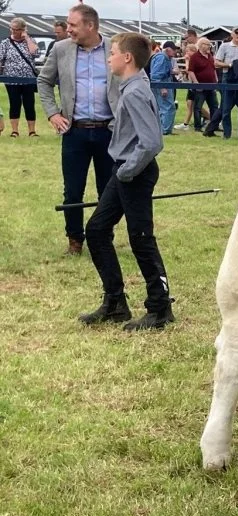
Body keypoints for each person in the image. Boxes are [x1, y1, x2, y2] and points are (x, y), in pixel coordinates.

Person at [78, 32, 173, 331]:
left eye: (113, 52)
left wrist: (127, 170)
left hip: (134, 171)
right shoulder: (133, 85)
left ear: (127, 58)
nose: (108, 57)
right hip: (126, 169)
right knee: (96, 230)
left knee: (141, 239)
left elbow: (152, 142)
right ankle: (115, 303)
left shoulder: (133, 92)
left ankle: (159, 309)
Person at [37, 4, 121, 256]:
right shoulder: (61, 49)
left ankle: (103, 236)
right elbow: (44, 80)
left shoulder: (115, 48)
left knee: (108, 189)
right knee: (73, 190)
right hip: (75, 132)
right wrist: (52, 112)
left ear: (90, 26)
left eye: (73, 25)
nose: (68, 29)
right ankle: (75, 239)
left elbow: (133, 80)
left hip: (109, 131)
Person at [205, 27, 238, 139]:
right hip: (228, 77)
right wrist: (230, 65)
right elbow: (216, 62)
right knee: (225, 108)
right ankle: (227, 134)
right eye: (236, 32)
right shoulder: (224, 46)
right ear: (232, 34)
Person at [0, 17, 40, 138]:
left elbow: (35, 53)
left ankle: (32, 131)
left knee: (29, 104)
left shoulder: (30, 41)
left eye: (17, 29)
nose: (13, 31)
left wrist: (26, 38)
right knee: (14, 103)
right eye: (12, 29)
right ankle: (15, 130)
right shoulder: (5, 43)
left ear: (23, 29)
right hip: (11, 79)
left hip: (28, 79)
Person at [186, 38, 218, 130]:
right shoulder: (195, 57)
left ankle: (214, 125)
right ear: (201, 45)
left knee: (214, 106)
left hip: (211, 86)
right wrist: (197, 84)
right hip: (201, 86)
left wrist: (216, 81)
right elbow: (191, 71)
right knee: (198, 107)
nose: (209, 46)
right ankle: (197, 126)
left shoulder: (210, 56)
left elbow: (213, 69)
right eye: (207, 44)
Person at [148, 40, 178, 134]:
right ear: (168, 49)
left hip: (164, 83)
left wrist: (172, 72)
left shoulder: (165, 58)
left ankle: (164, 129)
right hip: (162, 84)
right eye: (174, 50)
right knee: (168, 107)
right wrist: (162, 88)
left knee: (165, 107)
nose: (175, 52)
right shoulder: (161, 58)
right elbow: (155, 75)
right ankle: (165, 130)